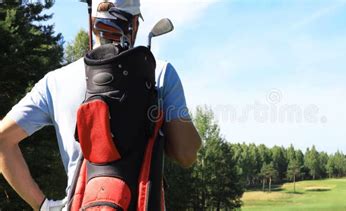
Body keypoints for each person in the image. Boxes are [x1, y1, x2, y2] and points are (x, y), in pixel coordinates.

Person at [0, 0, 202, 210]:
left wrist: (43, 206)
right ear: (135, 23)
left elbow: (2, 140)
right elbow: (186, 154)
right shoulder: (160, 72)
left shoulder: (55, 81)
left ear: (93, 21)